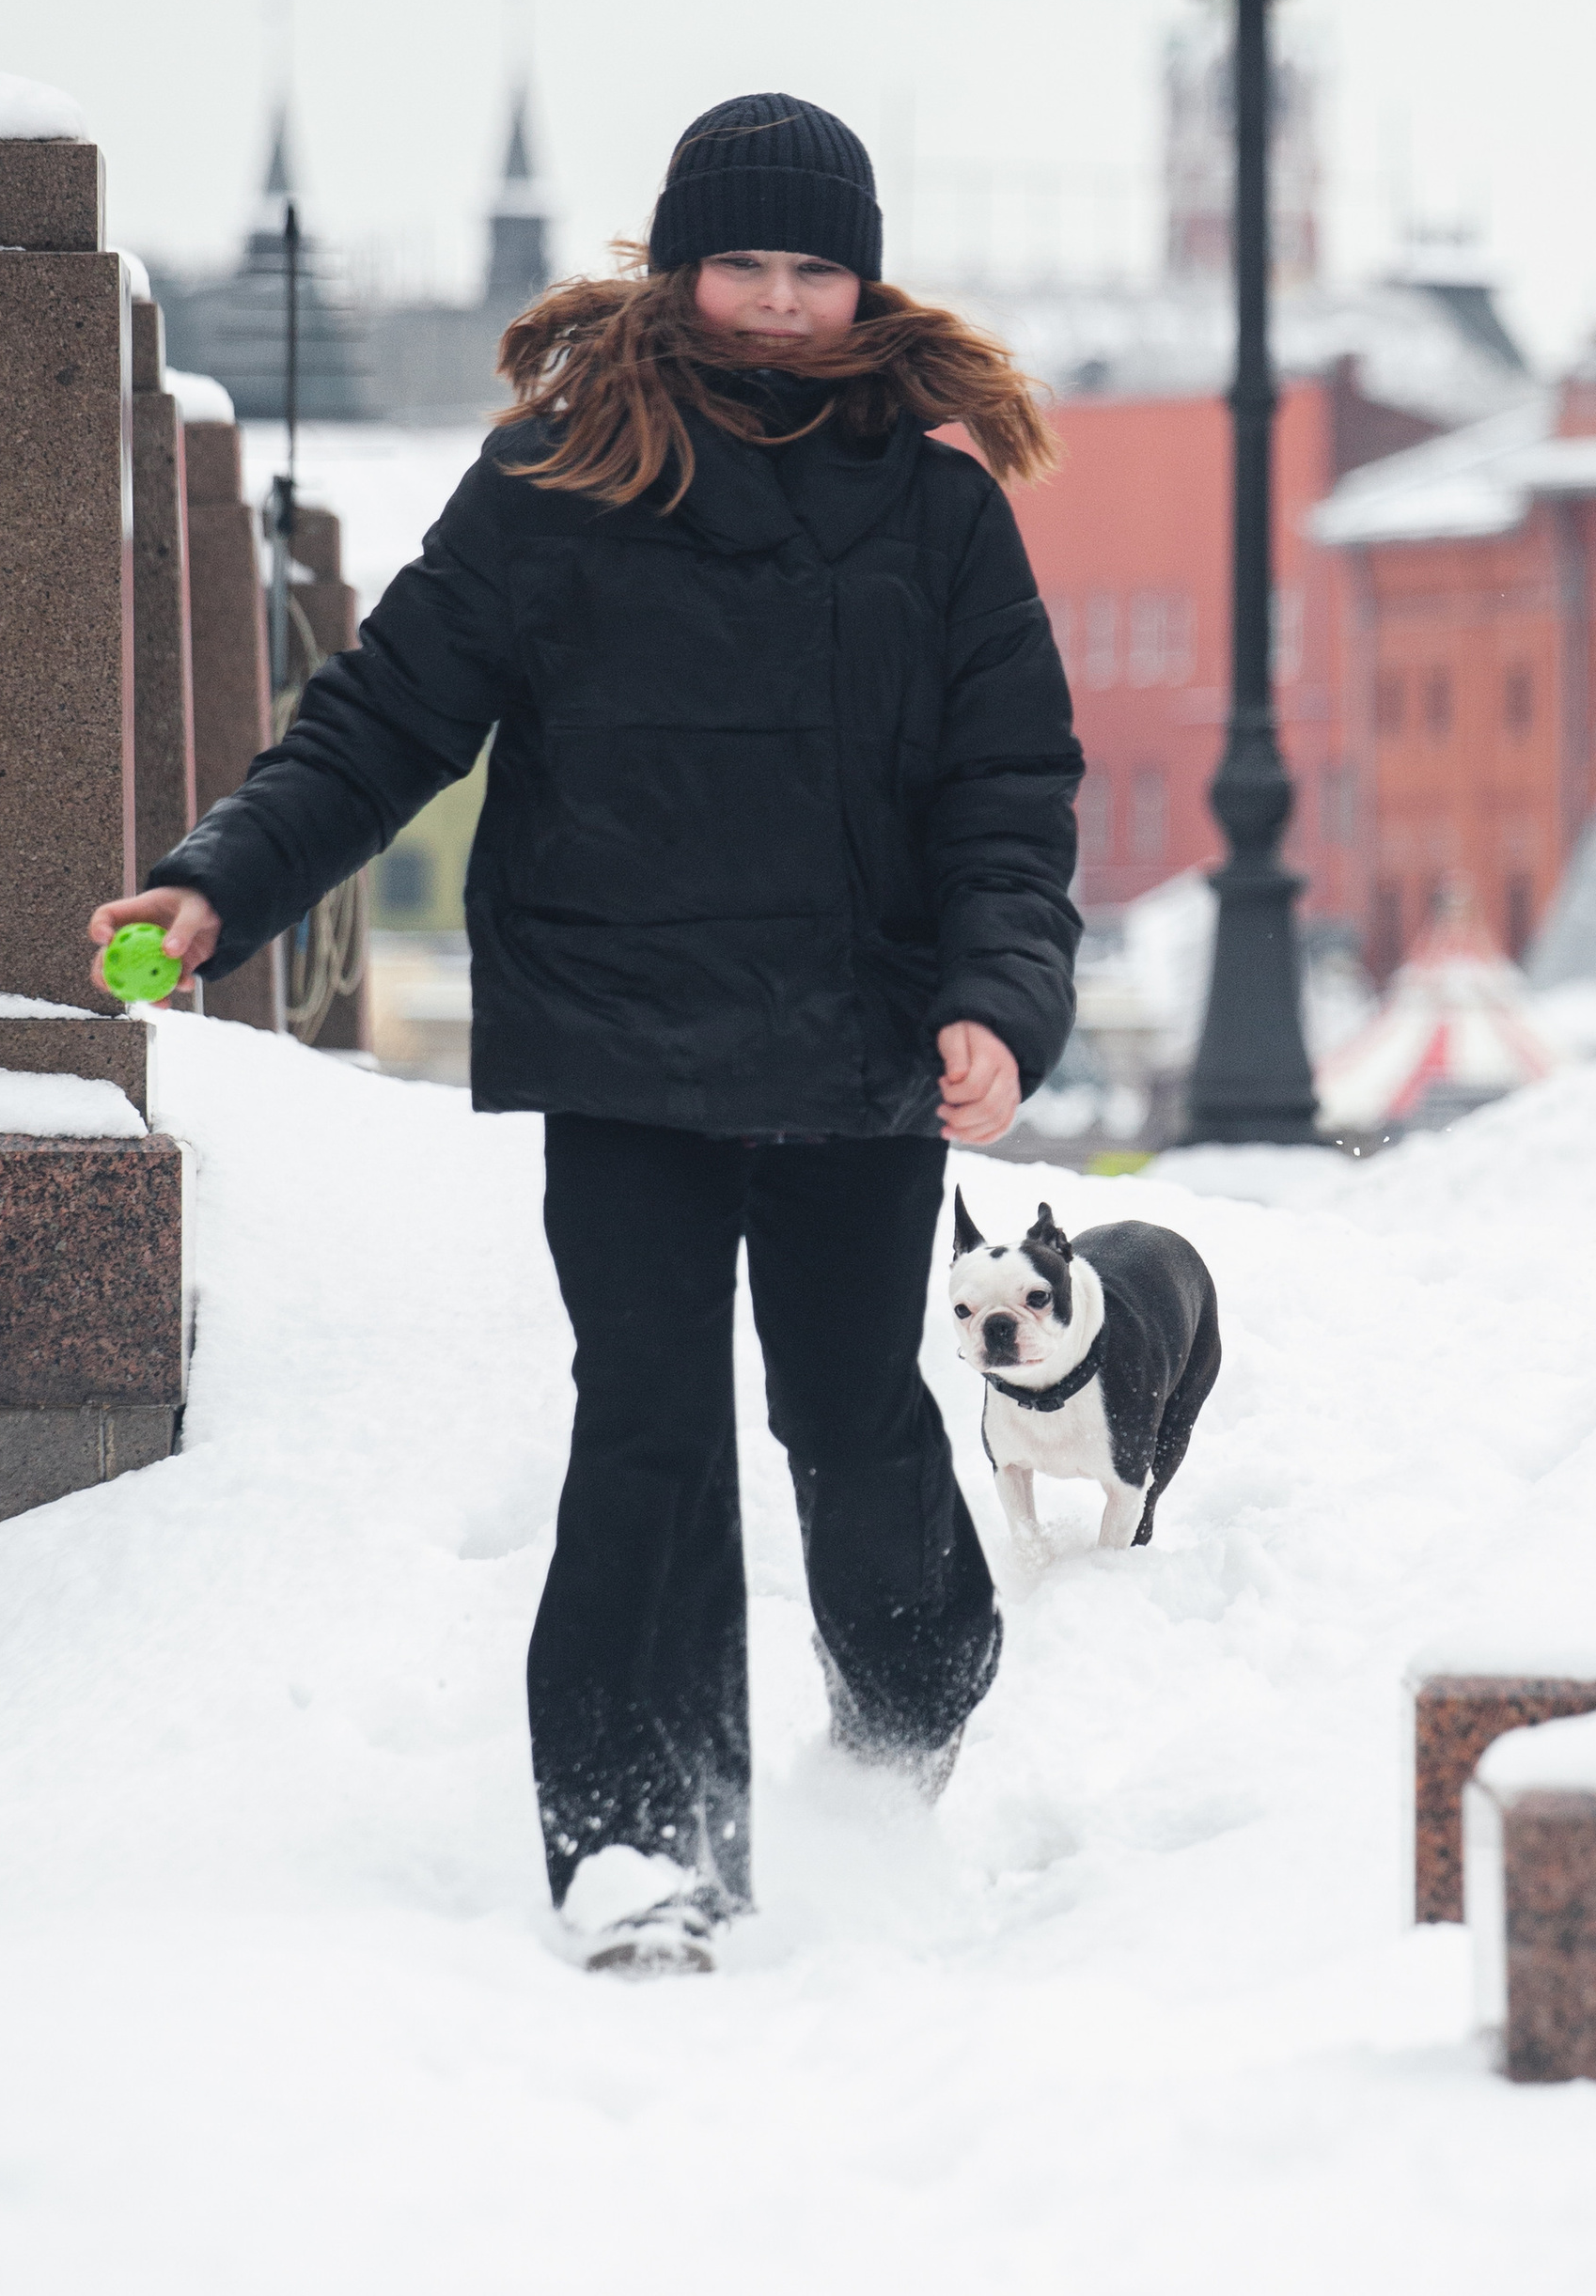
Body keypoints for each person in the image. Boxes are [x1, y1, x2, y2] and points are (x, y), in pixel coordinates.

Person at [90, 95, 1082, 1975]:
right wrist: (221, 883)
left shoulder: (938, 504)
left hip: (859, 1041)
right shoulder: (558, 477)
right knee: (643, 1420)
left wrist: (992, 998)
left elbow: (1006, 788)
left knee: (846, 1414)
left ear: (859, 279)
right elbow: (383, 717)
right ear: (676, 262)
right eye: (745, 264)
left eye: (814, 269)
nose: (781, 305)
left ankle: (908, 1705)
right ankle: (641, 1838)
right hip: (618, 1032)